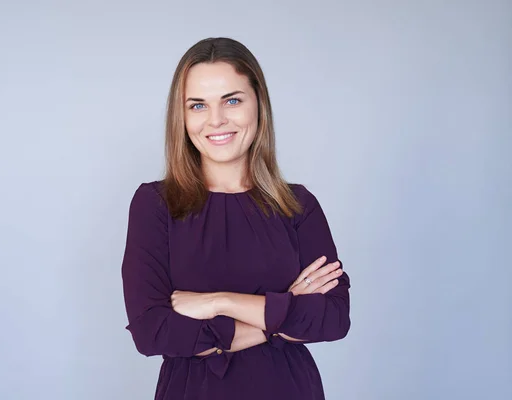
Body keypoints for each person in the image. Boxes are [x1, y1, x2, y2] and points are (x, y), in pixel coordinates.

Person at [121, 37, 351, 400]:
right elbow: (153, 333)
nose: (216, 120)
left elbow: (332, 319)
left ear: (258, 104)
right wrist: (281, 312)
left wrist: (219, 302)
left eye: (232, 100)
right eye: (198, 105)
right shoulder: (155, 204)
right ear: (181, 117)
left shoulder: (299, 205)